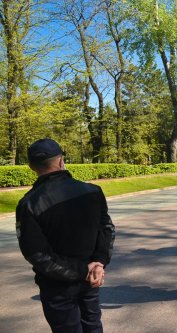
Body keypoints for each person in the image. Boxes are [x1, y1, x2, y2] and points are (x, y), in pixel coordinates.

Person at [16, 138, 115, 333]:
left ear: (31, 167)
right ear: (61, 161)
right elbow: (107, 230)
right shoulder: (92, 191)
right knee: (93, 325)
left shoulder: (29, 204)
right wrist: (98, 263)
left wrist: (83, 269)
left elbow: (36, 254)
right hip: (91, 276)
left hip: (58, 283)